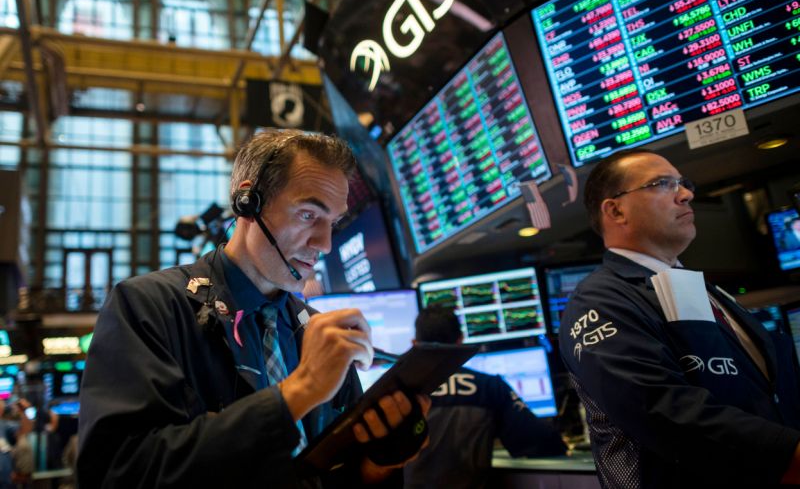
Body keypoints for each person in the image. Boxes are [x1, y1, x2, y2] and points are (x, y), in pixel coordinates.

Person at [78, 129, 430, 488]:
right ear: (248, 201)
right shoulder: (148, 306)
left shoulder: (316, 331)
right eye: (309, 215)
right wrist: (301, 390)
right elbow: (118, 473)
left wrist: (378, 465)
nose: (324, 244)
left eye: (332, 223)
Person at [560, 149, 800, 488]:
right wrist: (790, 455)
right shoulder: (599, 301)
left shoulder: (707, 291)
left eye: (684, 183)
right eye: (663, 184)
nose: (686, 194)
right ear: (615, 210)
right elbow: (662, 410)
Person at [403, 306, 566, 489]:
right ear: (461, 341)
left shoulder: (399, 394)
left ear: (415, 343)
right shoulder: (488, 387)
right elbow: (544, 441)